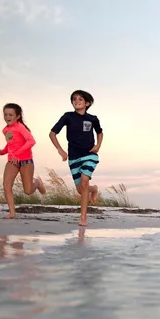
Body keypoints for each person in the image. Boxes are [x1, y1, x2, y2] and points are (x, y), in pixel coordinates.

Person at [49, 90, 103, 227]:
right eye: (74, 99)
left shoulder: (93, 119)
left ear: (87, 103)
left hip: (89, 154)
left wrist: (98, 145)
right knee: (81, 189)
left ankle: (83, 218)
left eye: (80, 99)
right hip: (73, 157)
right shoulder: (68, 116)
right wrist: (60, 150)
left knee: (84, 181)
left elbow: (100, 132)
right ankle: (93, 189)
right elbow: (52, 133)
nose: (77, 101)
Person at [0, 103, 47, 219]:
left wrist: (17, 153)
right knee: (7, 185)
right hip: (12, 161)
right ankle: (12, 213)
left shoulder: (20, 127)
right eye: (5, 114)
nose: (7, 117)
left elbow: (31, 141)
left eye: (10, 115)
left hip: (26, 161)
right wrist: (2, 152)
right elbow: (10, 144)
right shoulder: (5, 130)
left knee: (28, 191)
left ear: (17, 116)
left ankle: (37, 183)